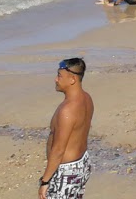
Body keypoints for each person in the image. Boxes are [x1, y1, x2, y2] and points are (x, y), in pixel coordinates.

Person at [40, 57, 94, 198]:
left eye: (59, 75)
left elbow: (58, 150)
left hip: (67, 171)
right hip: (82, 162)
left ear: (72, 80)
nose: (56, 79)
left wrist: (45, 181)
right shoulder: (86, 98)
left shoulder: (67, 110)